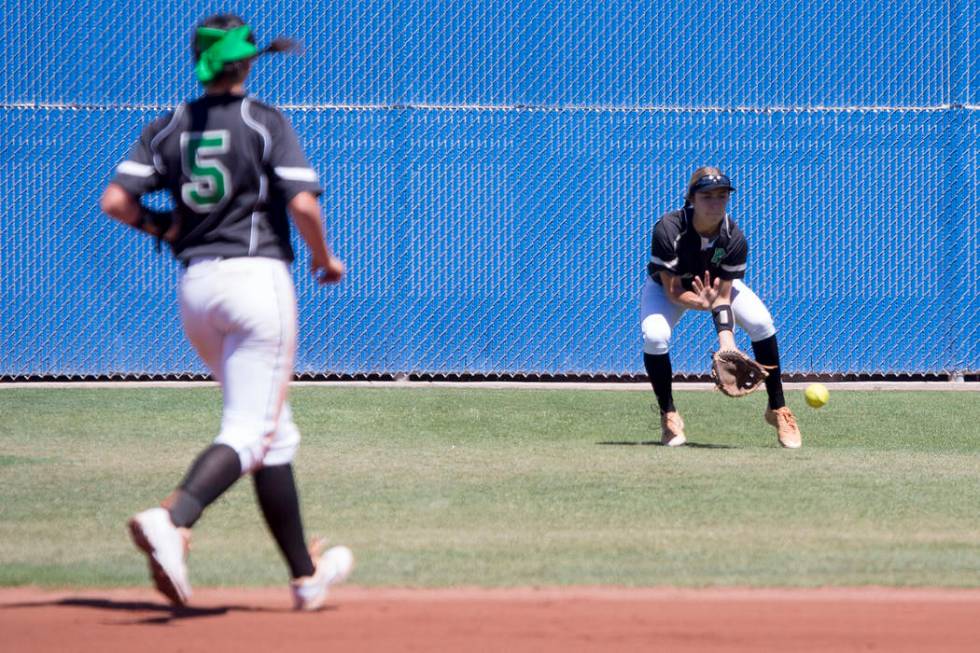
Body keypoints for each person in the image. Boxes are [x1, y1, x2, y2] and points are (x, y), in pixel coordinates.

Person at [99, 14, 353, 610]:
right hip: (257, 281)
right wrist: (325, 258)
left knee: (273, 432)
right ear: (247, 63)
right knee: (249, 430)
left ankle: (304, 576)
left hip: (196, 289)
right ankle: (175, 518)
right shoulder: (263, 122)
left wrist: (162, 225)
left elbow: (115, 201)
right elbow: (304, 206)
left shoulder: (170, 126)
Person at [641, 166, 802, 449]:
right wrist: (699, 302)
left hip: (716, 289)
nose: (716, 203)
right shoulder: (668, 229)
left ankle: (777, 409)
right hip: (668, 290)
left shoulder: (733, 238)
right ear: (691, 199)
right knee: (655, 336)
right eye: (707, 196)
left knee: (762, 323)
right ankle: (668, 415)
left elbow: (723, 295)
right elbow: (673, 290)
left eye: (722, 196)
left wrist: (726, 342)